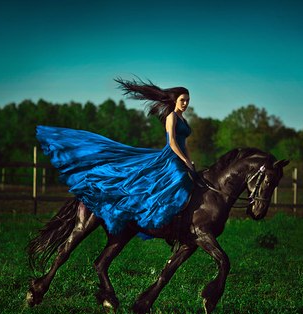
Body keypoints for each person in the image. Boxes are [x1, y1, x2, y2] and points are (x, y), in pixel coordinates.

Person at [36, 78, 194, 235]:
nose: (185, 103)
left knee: (193, 181)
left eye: (187, 100)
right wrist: (184, 159)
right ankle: (158, 218)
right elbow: (172, 142)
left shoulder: (183, 119)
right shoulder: (171, 117)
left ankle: (179, 221)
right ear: (175, 100)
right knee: (177, 181)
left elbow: (184, 143)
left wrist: (190, 159)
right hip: (170, 157)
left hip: (179, 157)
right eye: (182, 100)